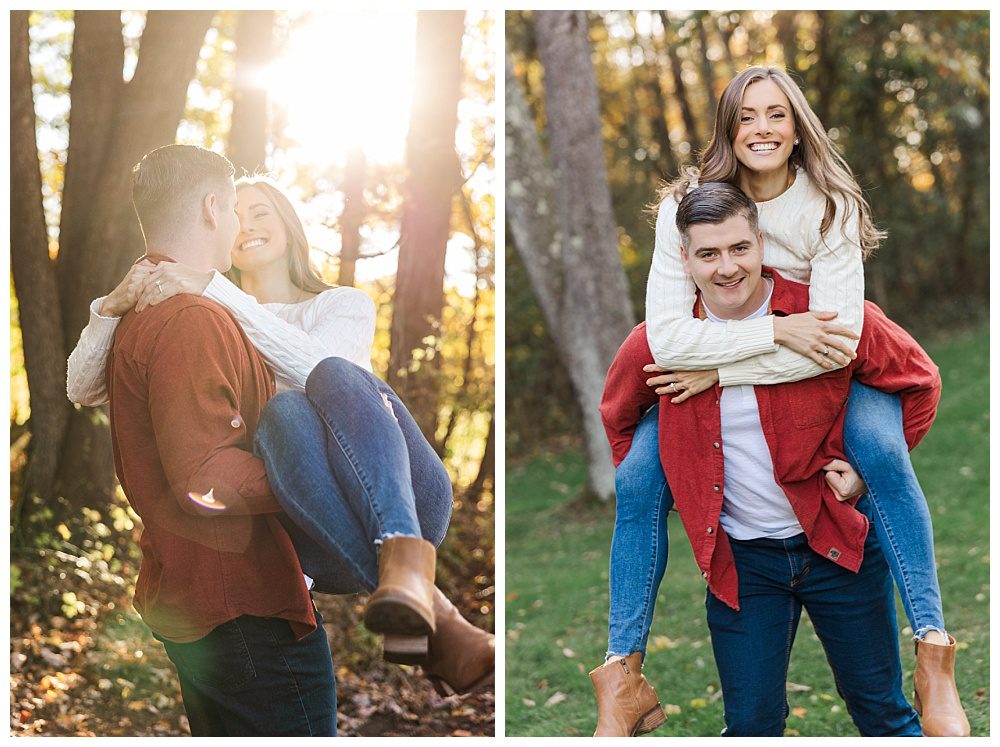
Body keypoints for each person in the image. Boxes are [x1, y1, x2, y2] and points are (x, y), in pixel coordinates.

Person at [600, 66, 967, 736]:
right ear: (727, 128)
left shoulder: (830, 202)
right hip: (731, 360)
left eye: (776, 114)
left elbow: (837, 340)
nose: (761, 129)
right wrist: (754, 344)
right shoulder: (693, 200)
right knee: (638, 477)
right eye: (745, 116)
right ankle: (621, 671)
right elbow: (664, 339)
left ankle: (934, 649)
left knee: (881, 449)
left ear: (797, 126)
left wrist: (722, 371)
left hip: (833, 362)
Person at [71, 149, 494, 729]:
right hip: (260, 577)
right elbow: (101, 401)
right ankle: (433, 610)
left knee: (316, 392)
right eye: (237, 210)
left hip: (383, 501)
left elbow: (330, 373)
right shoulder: (191, 316)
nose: (246, 224)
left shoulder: (314, 306)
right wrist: (107, 308)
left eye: (262, 212)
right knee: (288, 419)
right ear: (212, 209)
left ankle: (413, 580)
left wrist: (212, 289)